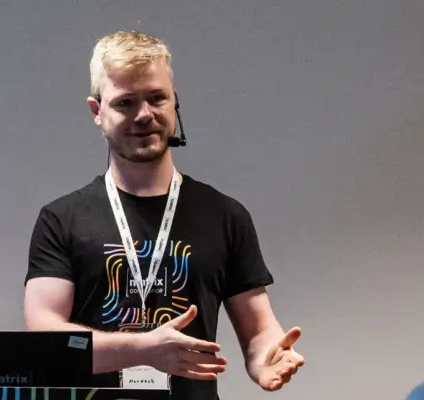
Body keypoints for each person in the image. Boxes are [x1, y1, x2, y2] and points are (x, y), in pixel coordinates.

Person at [23, 30, 304, 399]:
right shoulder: (62, 219)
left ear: (174, 102)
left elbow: (259, 332)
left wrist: (268, 357)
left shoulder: (225, 216)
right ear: (97, 112)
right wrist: (143, 349)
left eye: (157, 98)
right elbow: (44, 334)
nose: (144, 115)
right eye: (125, 103)